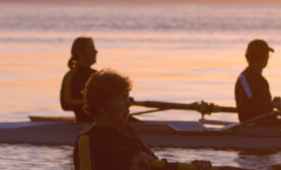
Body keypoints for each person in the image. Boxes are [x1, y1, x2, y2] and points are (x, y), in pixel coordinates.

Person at [72, 69, 211, 170]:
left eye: (128, 97)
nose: (129, 104)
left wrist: (194, 167)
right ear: (101, 105)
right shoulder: (88, 140)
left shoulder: (128, 132)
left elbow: (157, 167)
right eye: (122, 98)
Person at [234, 39, 279, 123]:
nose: (268, 57)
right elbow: (247, 108)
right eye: (266, 55)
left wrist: (273, 105)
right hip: (252, 125)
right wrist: (272, 105)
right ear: (260, 57)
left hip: (265, 124)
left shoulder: (260, 79)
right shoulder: (245, 79)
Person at [62, 36, 98, 121]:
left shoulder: (97, 75)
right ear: (81, 52)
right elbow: (65, 104)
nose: (96, 51)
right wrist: (89, 102)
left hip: (104, 120)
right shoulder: (71, 76)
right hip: (84, 122)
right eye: (91, 48)